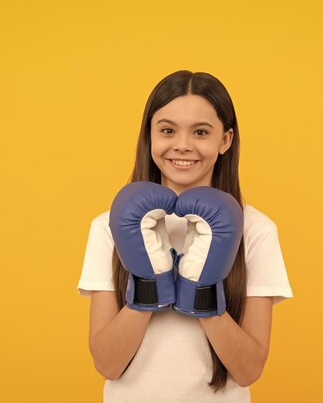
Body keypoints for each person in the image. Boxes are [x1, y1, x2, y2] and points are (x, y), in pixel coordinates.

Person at [77, 70, 293, 402]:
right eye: (167, 130)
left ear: (225, 140)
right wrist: (150, 284)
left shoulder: (255, 231)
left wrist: (201, 292)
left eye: (201, 132)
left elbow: (249, 371)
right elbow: (107, 363)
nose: (182, 145)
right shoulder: (108, 227)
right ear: (150, 137)